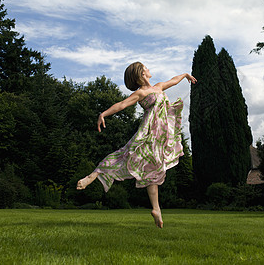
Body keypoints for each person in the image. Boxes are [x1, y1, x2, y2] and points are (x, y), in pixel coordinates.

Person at [76, 61, 197, 228]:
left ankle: (156, 209)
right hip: (148, 135)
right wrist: (103, 113)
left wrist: (185, 75)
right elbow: (121, 105)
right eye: (145, 67)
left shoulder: (159, 86)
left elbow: (173, 80)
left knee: (153, 170)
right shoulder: (141, 93)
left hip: (159, 138)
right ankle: (93, 175)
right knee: (124, 155)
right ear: (141, 73)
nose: (148, 68)